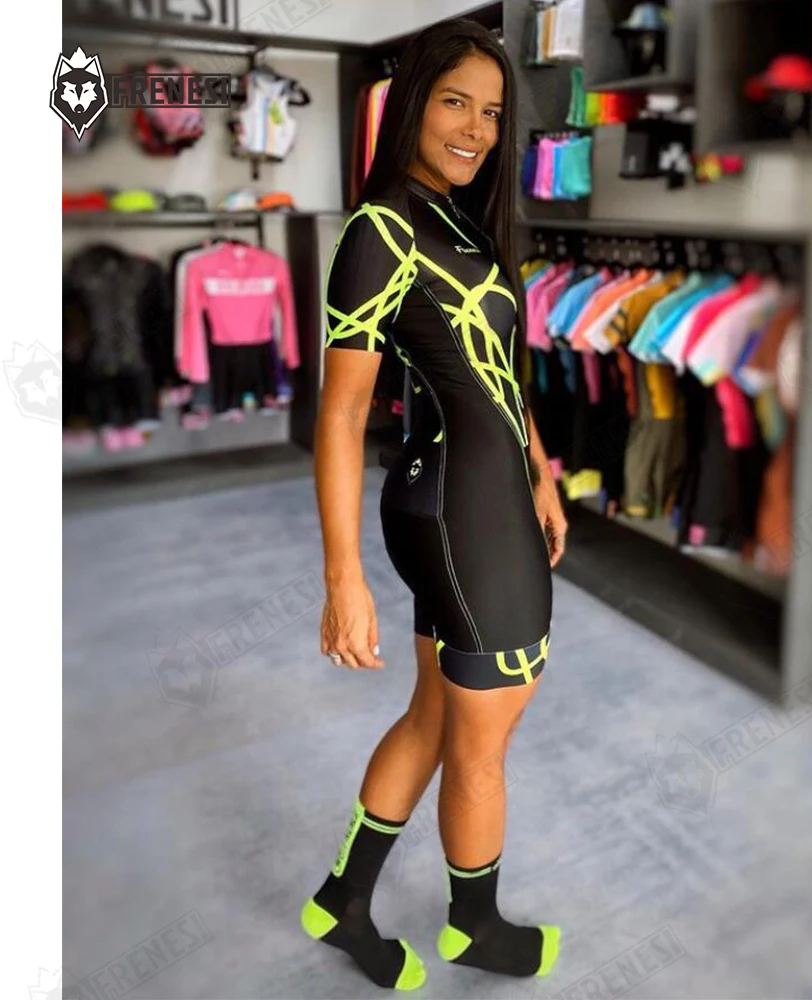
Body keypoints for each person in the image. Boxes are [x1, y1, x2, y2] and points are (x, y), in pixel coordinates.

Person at [303, 17, 570, 993]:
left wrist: (541, 470)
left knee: (434, 713)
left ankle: (340, 901)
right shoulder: (381, 229)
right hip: (463, 514)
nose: (475, 130)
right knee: (482, 740)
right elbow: (340, 413)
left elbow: (498, 368)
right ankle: (474, 927)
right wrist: (342, 580)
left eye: (492, 114)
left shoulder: (456, 221)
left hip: (477, 499)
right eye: (456, 103)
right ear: (411, 104)